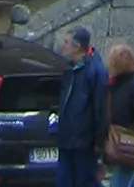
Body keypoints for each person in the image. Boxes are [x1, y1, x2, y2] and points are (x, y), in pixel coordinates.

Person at [55, 27, 107, 187]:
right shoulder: (70, 69)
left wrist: (99, 141)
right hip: (66, 140)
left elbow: (101, 108)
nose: (62, 46)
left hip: (83, 142)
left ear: (76, 47)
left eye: (66, 42)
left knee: (86, 182)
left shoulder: (95, 71)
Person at [103, 41, 134, 187]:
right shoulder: (113, 86)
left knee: (120, 180)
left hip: (129, 141)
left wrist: (130, 132)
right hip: (117, 140)